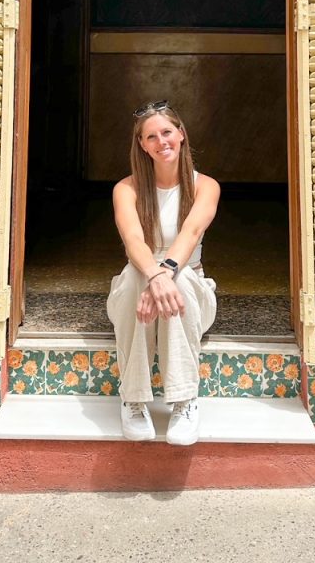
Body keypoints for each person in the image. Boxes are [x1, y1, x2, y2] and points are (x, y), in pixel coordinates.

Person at [106, 100, 220, 446]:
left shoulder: (205, 186)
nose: (161, 142)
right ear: (142, 144)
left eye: (167, 132)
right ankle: (134, 400)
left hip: (190, 288)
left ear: (181, 134)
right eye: (151, 136)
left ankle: (185, 400)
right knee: (137, 276)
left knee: (179, 278)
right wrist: (154, 277)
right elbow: (133, 241)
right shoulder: (126, 189)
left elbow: (190, 234)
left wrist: (163, 275)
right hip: (138, 289)